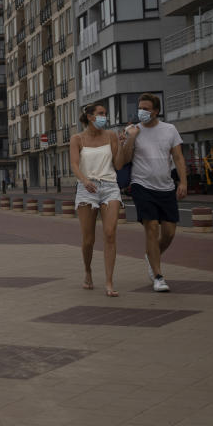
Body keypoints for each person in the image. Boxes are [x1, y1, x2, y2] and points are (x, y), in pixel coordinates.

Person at [117, 92, 187, 293]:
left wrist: (183, 182)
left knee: (169, 233)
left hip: (166, 186)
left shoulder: (170, 130)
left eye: (146, 109)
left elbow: (178, 157)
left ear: (156, 111)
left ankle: (151, 255)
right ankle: (158, 276)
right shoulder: (133, 130)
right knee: (152, 228)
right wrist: (130, 138)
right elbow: (125, 160)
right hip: (142, 185)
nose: (142, 112)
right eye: (140, 108)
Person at [70, 103, 122, 297]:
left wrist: (124, 145)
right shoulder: (77, 139)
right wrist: (84, 181)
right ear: (90, 116)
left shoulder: (111, 136)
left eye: (105, 114)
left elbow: (118, 164)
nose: (104, 117)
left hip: (110, 187)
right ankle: (88, 270)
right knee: (88, 240)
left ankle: (109, 281)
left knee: (110, 233)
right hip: (86, 188)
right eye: (101, 114)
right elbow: (75, 165)